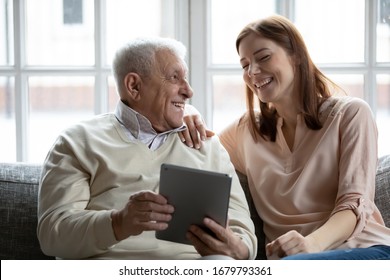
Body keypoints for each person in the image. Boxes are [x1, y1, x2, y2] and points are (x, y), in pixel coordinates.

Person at [182, 15, 390, 260]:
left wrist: (310, 244)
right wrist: (188, 110)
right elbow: (200, 149)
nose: (253, 71)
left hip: (365, 251)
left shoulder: (351, 114)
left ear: (297, 56)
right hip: (289, 263)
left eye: (263, 57)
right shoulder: (246, 131)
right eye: (245, 64)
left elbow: (355, 205)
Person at [37, 37, 257, 260]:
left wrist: (240, 249)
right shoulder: (77, 141)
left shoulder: (207, 144)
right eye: (174, 77)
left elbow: (244, 233)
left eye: (186, 78)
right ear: (134, 86)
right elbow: (52, 234)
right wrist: (119, 222)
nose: (189, 91)